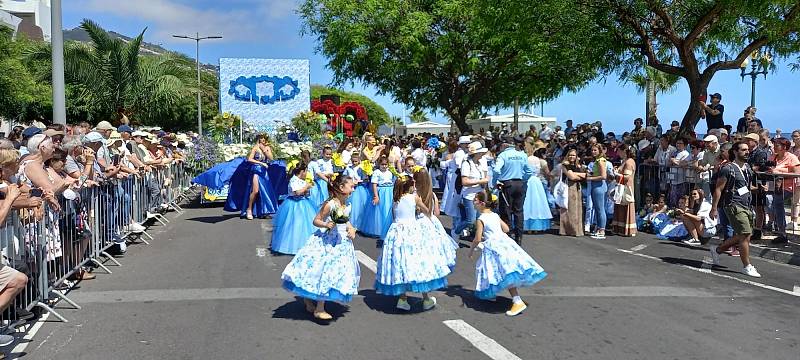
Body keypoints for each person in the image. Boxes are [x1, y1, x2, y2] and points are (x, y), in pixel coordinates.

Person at [281, 174, 360, 321]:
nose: (354, 189)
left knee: (336, 273)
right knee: (325, 271)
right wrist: (325, 224)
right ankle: (319, 308)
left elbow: (346, 220)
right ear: (342, 188)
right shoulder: (330, 204)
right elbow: (316, 220)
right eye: (351, 186)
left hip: (342, 244)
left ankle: (308, 299)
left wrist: (351, 229)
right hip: (328, 242)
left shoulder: (347, 205)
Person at [375, 176, 451, 311]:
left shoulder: (395, 199)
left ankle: (402, 298)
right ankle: (426, 298)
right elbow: (427, 211)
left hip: (396, 232)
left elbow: (395, 216)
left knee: (400, 263)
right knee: (417, 262)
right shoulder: (414, 198)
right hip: (411, 231)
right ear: (409, 186)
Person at [468, 189, 548, 316]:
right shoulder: (494, 215)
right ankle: (492, 293)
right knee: (495, 270)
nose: (473, 202)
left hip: (493, 247)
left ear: (482, 203)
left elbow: (477, 238)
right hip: (504, 243)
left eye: (475, 200)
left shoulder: (481, 218)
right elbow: (506, 228)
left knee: (500, 271)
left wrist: (471, 250)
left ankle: (517, 301)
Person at [709, 141, 761, 277]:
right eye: (743, 150)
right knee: (744, 234)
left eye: (747, 149)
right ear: (735, 152)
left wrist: (759, 189)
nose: (747, 152)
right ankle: (747, 265)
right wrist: (714, 208)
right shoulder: (728, 168)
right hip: (733, 205)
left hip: (746, 205)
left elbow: (746, 187)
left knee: (745, 235)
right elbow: (719, 189)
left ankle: (718, 249)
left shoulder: (747, 168)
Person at [412, 167, 458, 270]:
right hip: (432, 221)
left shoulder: (415, 196)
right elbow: (436, 213)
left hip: (419, 221)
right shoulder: (432, 195)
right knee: (433, 246)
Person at [224, 134, 278, 219]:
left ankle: (264, 211)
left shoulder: (267, 148)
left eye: (264, 138)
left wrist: (264, 150)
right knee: (255, 191)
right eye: (261, 138)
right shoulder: (255, 148)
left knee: (265, 192)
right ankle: (249, 209)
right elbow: (250, 159)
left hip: (264, 172)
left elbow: (271, 158)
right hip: (256, 170)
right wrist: (261, 163)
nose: (263, 139)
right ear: (259, 139)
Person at [270, 162, 317, 255]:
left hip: (304, 203)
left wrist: (308, 190)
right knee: (294, 224)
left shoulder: (302, 181)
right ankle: (292, 245)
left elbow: (305, 193)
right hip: (294, 204)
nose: (307, 173)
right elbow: (297, 192)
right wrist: (306, 187)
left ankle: (305, 244)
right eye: (306, 171)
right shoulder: (294, 180)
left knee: (304, 225)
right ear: (302, 171)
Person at [493, 136, 532, 243]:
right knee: (518, 211)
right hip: (519, 183)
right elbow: (529, 171)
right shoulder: (522, 155)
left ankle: (508, 235)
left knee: (506, 210)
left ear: (504, 145)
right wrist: (523, 180)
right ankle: (519, 236)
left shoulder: (503, 155)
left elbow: (496, 170)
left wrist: (495, 182)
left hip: (507, 184)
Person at [452, 142, 490, 239]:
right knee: (470, 220)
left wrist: (485, 189)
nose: (482, 154)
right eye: (480, 152)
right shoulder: (466, 163)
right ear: (476, 153)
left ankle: (477, 239)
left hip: (480, 194)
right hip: (469, 195)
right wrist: (481, 181)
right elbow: (464, 181)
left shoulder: (480, 163)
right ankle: (456, 232)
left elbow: (484, 178)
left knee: (480, 219)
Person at [768, 138, 800, 243]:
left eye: (777, 145)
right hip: (778, 186)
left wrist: (779, 172)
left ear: (784, 147)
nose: (774, 147)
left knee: (777, 203)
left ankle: (782, 231)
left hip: (790, 186)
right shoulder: (774, 157)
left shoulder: (792, 158)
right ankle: (781, 231)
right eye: (774, 145)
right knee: (776, 205)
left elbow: (796, 173)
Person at [556, 148, 587, 236]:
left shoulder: (579, 166)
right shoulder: (565, 165)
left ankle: (576, 230)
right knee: (568, 208)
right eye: (570, 155)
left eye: (573, 155)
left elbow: (586, 175)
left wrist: (577, 174)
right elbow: (571, 177)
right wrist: (581, 176)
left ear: (576, 156)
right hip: (568, 187)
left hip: (577, 188)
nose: (571, 157)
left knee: (577, 209)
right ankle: (567, 230)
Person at [362, 156, 395, 238]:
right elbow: (374, 184)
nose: (384, 166)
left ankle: (388, 228)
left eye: (386, 164)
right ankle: (380, 229)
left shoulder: (390, 172)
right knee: (381, 210)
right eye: (382, 164)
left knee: (389, 210)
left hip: (389, 191)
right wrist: (376, 196)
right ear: (379, 164)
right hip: (381, 191)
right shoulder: (377, 172)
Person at [522, 144, 552, 232]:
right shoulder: (536, 159)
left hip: (528, 180)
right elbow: (538, 171)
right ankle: (536, 227)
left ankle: (528, 227)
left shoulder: (525, 158)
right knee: (537, 202)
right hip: (536, 180)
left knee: (527, 202)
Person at [586, 144, 609, 239]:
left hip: (599, 186)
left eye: (595, 150)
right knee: (598, 208)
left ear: (599, 151)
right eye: (592, 150)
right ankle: (599, 228)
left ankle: (602, 229)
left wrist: (590, 178)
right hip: (596, 186)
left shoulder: (601, 161)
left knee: (600, 209)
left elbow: (603, 176)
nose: (593, 152)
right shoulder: (597, 161)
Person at [344, 152, 369, 231]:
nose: (354, 163)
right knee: (351, 205)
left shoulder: (361, 168)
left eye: (356, 161)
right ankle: (350, 223)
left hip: (359, 188)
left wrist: (359, 181)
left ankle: (358, 224)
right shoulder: (348, 168)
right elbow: (345, 176)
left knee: (359, 206)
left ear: (359, 161)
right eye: (353, 161)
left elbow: (366, 179)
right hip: (350, 187)